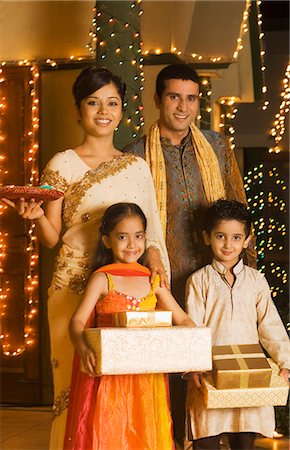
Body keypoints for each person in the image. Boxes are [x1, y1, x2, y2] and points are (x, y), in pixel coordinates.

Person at [1, 67, 170, 450]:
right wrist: (35, 218)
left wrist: (156, 262)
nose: (103, 111)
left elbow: (153, 226)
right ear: (79, 110)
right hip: (71, 287)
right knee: (72, 388)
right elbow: (52, 238)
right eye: (93, 103)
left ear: (122, 111)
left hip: (123, 292)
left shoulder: (135, 167)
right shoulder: (62, 164)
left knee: (121, 385)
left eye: (112, 103)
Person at [123, 63, 257, 443]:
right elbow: (131, 220)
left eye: (191, 98)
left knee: (221, 378)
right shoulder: (134, 155)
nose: (183, 107)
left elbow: (237, 204)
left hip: (217, 279)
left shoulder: (216, 146)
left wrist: (245, 275)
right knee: (173, 381)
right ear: (157, 100)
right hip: (164, 282)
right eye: (174, 97)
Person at [63, 202, 196, 450]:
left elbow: (183, 319)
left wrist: (197, 352)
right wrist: (83, 349)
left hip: (148, 379)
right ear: (106, 240)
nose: (132, 244)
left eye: (138, 236)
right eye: (122, 237)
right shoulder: (103, 278)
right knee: (111, 432)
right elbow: (77, 321)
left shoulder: (152, 279)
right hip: (112, 378)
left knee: (145, 434)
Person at [185, 199, 290, 450]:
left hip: (249, 376)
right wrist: (195, 369)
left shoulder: (256, 280)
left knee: (245, 441)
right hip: (209, 375)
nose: (228, 244)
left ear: (246, 240)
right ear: (207, 237)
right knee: (206, 438)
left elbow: (270, 325)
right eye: (220, 236)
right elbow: (193, 329)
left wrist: (285, 364)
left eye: (235, 237)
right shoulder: (199, 281)